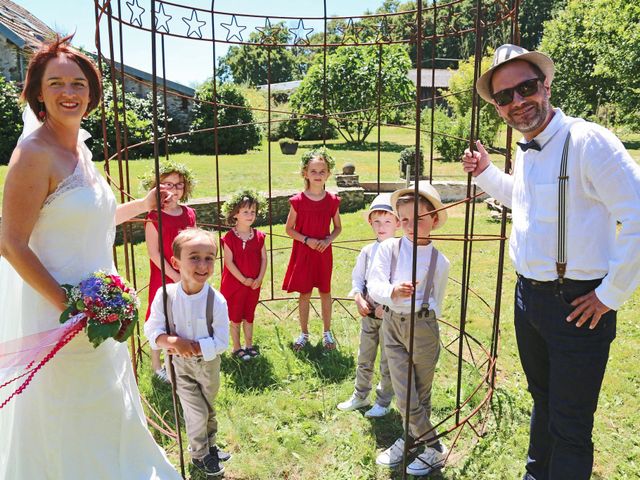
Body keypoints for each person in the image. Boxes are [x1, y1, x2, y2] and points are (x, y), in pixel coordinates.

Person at [0, 36, 181, 478]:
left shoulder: (80, 148)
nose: (69, 92)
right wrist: (70, 304)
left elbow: (90, 222)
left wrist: (141, 206)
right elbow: (10, 242)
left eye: (78, 83)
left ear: (92, 92)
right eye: (56, 83)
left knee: (104, 400)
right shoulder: (33, 154)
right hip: (56, 311)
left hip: (100, 307)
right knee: (67, 406)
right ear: (38, 93)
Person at [462, 44, 640, 480]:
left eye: (525, 88)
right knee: (542, 399)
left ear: (545, 85)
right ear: (499, 108)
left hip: (579, 304)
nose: (517, 102)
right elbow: (521, 200)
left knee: (571, 422)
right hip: (529, 301)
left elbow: (638, 213)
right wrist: (486, 172)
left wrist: (610, 294)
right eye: (505, 97)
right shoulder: (527, 148)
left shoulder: (587, 141)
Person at [367, 181, 451, 477]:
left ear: (434, 219)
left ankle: (411, 438)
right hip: (392, 323)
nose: (410, 226)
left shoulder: (440, 261)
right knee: (403, 392)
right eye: (403, 220)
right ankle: (433, 447)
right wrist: (392, 291)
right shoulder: (390, 248)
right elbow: (374, 284)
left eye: (418, 219)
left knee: (420, 392)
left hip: (423, 327)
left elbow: (437, 299)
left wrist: (425, 316)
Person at [144, 228, 231, 477]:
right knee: (195, 410)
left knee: (208, 405)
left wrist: (195, 347)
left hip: (209, 364)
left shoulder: (217, 300)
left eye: (209, 258)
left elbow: (222, 341)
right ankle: (199, 455)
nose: (202, 265)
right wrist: (172, 341)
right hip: (179, 366)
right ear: (176, 262)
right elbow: (152, 328)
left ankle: (211, 443)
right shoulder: (166, 295)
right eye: (194, 257)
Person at [337, 193, 398, 418]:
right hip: (368, 314)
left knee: (387, 360)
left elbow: (401, 286)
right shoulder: (367, 251)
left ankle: (383, 401)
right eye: (377, 222)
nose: (381, 227)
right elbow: (357, 279)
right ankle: (360, 395)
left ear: (398, 223)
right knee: (365, 356)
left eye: (387, 221)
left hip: (390, 319)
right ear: (370, 222)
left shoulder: (401, 252)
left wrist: (389, 306)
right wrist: (358, 298)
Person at [142, 160, 197, 382]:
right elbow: (154, 253)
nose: (174, 190)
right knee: (160, 317)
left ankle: (175, 360)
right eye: (168, 184)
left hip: (186, 275)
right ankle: (157, 367)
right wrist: (174, 275)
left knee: (181, 316)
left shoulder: (189, 213)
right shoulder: (154, 217)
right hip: (163, 275)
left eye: (179, 185)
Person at [282, 148, 342, 351]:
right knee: (305, 293)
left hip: (324, 253)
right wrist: (306, 240)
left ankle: (327, 332)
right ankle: (304, 333)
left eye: (322, 171)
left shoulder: (332, 201)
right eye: (313, 171)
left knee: (325, 291)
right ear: (305, 173)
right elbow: (289, 229)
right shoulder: (298, 201)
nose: (318, 175)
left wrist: (329, 240)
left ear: (328, 174)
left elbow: (338, 227)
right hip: (304, 252)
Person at [220, 189, 267, 360]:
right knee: (235, 316)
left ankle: (249, 344)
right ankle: (236, 347)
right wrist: (243, 279)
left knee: (249, 314)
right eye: (245, 211)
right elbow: (229, 262)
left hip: (254, 284)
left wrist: (259, 278)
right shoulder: (229, 238)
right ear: (235, 214)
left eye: (253, 212)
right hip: (235, 284)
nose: (250, 215)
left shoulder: (260, 236)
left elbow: (263, 258)